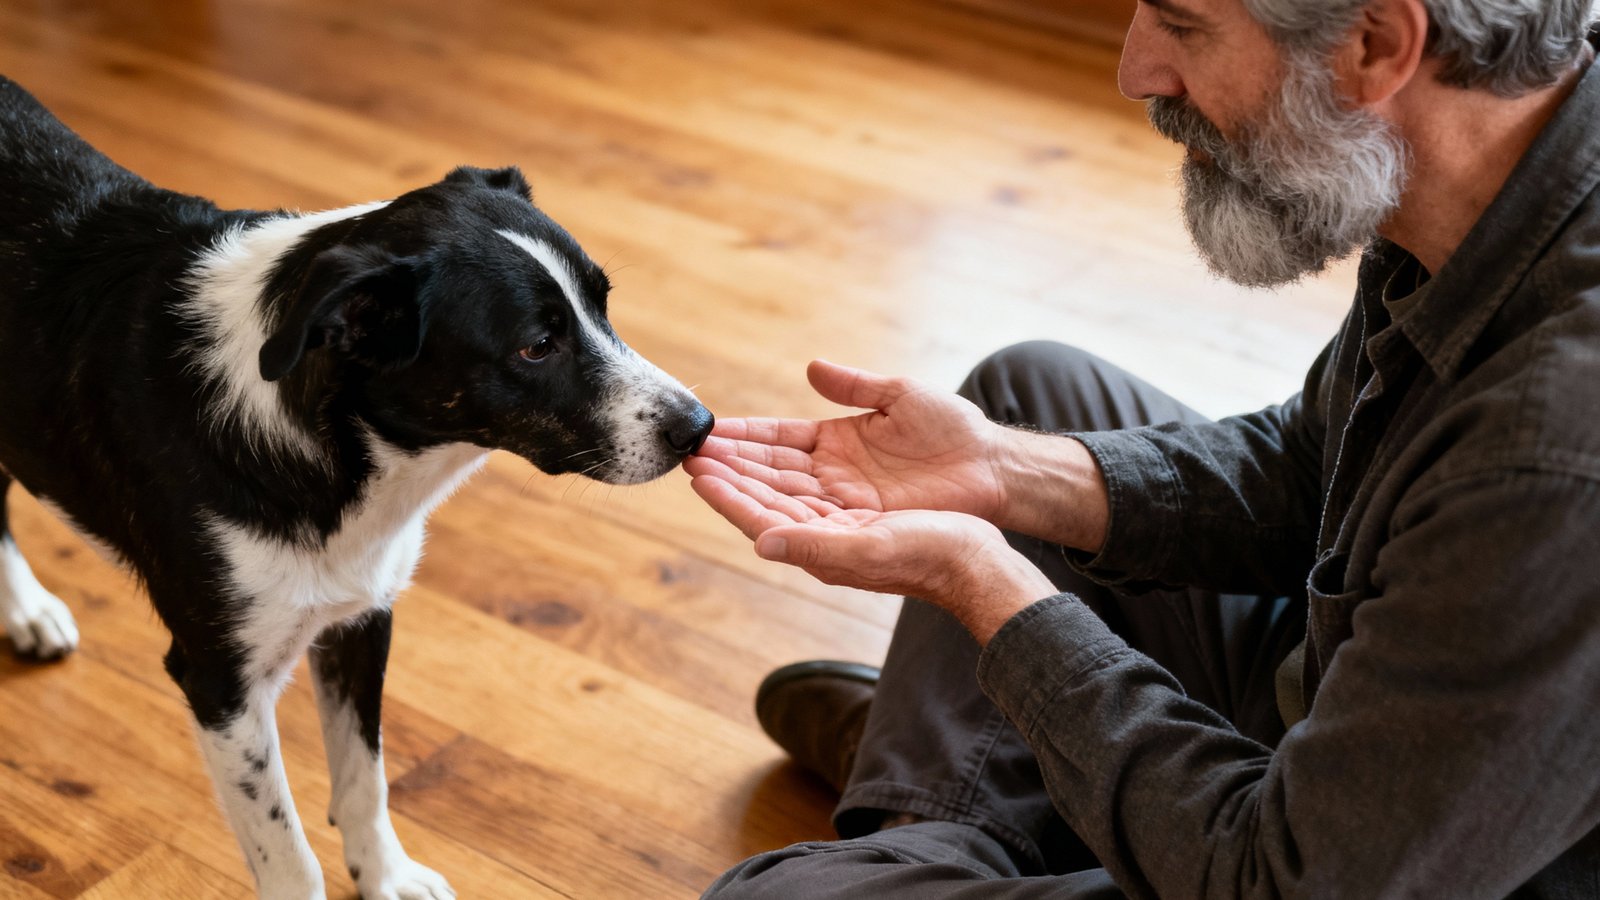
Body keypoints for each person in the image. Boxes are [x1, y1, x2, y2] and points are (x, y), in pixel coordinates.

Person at [683, 0, 1600, 896]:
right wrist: (1005, 474)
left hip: (1317, 861)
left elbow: (1276, 880)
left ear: (1375, 43)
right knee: (1029, 393)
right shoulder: (1480, 175)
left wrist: (985, 587)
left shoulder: (1553, 449)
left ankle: (958, 811)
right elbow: (1312, 472)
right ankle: (978, 814)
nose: (1134, 71)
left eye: (1183, 23)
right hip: (1354, 703)